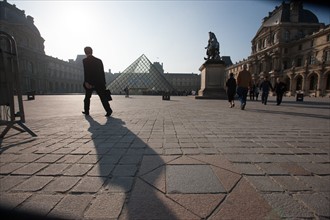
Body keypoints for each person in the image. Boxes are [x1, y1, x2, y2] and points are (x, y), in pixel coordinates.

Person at [82, 46, 112, 117]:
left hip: (90, 83)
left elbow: (86, 72)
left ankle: (87, 111)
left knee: (87, 98)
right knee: (103, 98)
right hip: (99, 82)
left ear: (85, 52)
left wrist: (86, 82)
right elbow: (102, 72)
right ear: (92, 51)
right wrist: (104, 83)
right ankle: (109, 110)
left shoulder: (85, 60)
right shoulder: (99, 60)